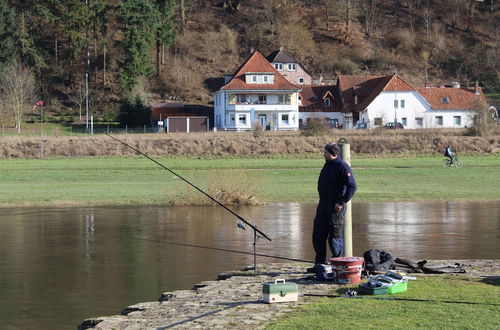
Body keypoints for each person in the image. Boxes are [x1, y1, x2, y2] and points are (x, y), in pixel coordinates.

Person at [312, 143, 357, 265]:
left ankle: (338, 263)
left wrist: (341, 202)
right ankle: (320, 264)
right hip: (323, 204)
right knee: (318, 234)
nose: (323, 154)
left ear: (333, 153)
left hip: (335, 207)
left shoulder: (343, 166)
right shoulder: (327, 165)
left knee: (334, 237)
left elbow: (352, 186)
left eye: (325, 152)